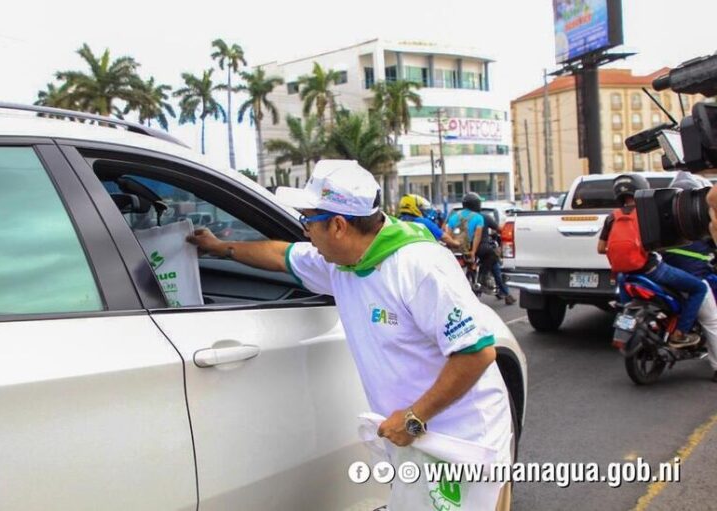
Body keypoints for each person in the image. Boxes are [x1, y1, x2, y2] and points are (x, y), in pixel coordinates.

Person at [187, 160, 513, 510]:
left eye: (307, 222)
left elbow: (476, 352)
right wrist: (219, 247)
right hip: (417, 440)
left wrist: (413, 417)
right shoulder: (341, 264)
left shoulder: (419, 266)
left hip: (463, 440)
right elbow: (281, 255)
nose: (306, 233)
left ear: (338, 225)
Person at [597, 174, 708, 348]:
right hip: (652, 270)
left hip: (624, 275)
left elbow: (600, 248)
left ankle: (625, 327)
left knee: (626, 307)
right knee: (698, 288)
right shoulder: (647, 214)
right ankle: (680, 333)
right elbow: (660, 244)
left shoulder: (612, 217)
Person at [662, 171, 717, 382]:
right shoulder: (701, 220)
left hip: (664, 275)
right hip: (692, 276)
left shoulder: (663, 217)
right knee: (712, 320)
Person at [449, 193, 516, 305]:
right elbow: (499, 230)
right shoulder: (483, 217)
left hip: (460, 248)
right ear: (477, 204)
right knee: (495, 264)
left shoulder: (456, 217)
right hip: (481, 248)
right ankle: (505, 293)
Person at [398, 193, 462, 249]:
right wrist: (456, 243)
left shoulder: (396, 222)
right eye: (420, 207)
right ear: (414, 207)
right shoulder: (423, 222)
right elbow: (443, 237)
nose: (422, 210)